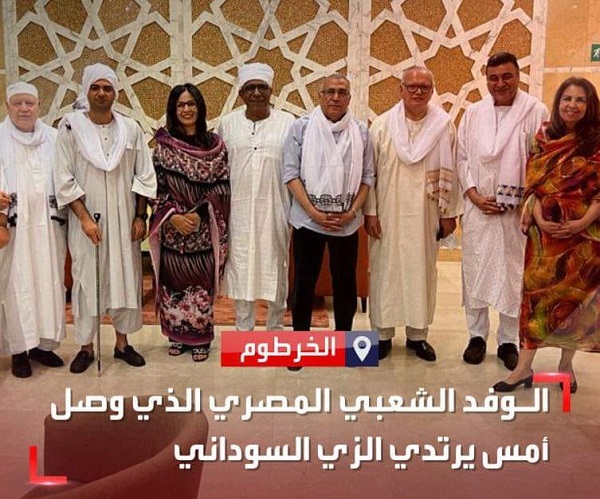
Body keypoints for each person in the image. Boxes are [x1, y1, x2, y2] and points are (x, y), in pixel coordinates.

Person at [494, 77, 600, 393]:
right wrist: (539, 217)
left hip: (583, 240)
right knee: (535, 301)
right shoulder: (543, 136)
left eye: (580, 100)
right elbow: (532, 184)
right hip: (544, 242)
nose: (572, 105)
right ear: (558, 102)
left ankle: (565, 366)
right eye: (567, 98)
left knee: (574, 304)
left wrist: (581, 223)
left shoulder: (596, 141)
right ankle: (522, 369)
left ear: (590, 105)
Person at [54, 63, 157, 374]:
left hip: (125, 219)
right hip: (87, 222)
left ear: (116, 93)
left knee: (125, 276)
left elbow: (144, 175)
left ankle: (122, 344)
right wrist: (85, 219)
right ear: (86, 91)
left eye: (107, 88)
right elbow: (64, 177)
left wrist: (140, 216)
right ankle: (86, 347)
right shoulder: (70, 127)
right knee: (87, 280)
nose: (101, 93)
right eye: (96, 87)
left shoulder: (131, 128)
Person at [458, 52, 548, 370]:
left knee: (513, 276)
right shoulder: (473, 113)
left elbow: (542, 162)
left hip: (516, 214)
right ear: (486, 80)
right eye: (493, 78)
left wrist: (524, 201)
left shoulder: (536, 111)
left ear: (518, 76)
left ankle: (508, 341)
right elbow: (462, 158)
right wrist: (473, 194)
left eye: (506, 76)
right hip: (479, 209)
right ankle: (476, 337)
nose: (500, 83)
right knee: (476, 272)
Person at [364, 66, 459, 362]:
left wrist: (449, 213)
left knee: (422, 271)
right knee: (385, 272)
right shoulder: (382, 126)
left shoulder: (444, 126)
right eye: (412, 86)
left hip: (426, 215)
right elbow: (370, 174)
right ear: (400, 89)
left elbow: (454, 171)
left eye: (424, 87)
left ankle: (418, 336)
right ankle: (382, 336)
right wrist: (370, 211)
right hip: (387, 213)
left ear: (432, 91)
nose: (418, 92)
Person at [283, 73, 374, 370]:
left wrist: (351, 212)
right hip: (308, 220)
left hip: (346, 221)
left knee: (345, 283)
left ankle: (345, 345)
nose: (336, 97)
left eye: (342, 92)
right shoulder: (302, 128)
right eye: (330, 92)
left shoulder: (361, 132)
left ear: (349, 98)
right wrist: (314, 212)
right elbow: (290, 174)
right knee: (303, 282)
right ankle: (299, 347)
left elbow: (367, 177)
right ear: (320, 96)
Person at [149, 84, 230, 362]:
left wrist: (199, 213)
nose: (186, 109)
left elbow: (222, 186)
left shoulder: (215, 146)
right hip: (173, 230)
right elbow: (155, 187)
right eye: (181, 105)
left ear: (200, 107)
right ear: (173, 109)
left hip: (202, 230)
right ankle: (176, 334)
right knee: (173, 282)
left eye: (191, 104)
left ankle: (200, 337)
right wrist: (173, 216)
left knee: (200, 284)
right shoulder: (163, 147)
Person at [218, 63, 294, 332]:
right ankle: (244, 330)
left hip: (276, 209)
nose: (257, 93)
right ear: (241, 93)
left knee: (277, 267)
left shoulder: (288, 123)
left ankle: (275, 329)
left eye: (262, 87)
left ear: (271, 91)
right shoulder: (227, 124)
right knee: (242, 268)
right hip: (238, 212)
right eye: (250, 88)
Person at [0, 82, 67, 378]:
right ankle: (19, 349)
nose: (24, 108)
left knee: (49, 282)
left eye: (29, 103)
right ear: (7, 107)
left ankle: (43, 345)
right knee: (17, 285)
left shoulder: (53, 138)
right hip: (14, 229)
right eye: (18, 103)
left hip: (49, 229)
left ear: (39, 106)